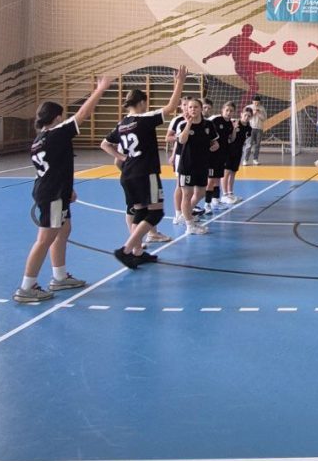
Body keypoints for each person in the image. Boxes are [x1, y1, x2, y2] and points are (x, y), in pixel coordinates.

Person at [14, 76, 114, 303]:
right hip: (52, 195)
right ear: (58, 117)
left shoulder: (39, 139)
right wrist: (100, 89)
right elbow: (83, 114)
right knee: (45, 239)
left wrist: (67, 189)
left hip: (52, 189)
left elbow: (54, 166)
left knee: (64, 229)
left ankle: (59, 277)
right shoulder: (57, 133)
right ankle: (27, 287)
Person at [100, 66, 187, 270]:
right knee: (155, 213)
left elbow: (104, 144)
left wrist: (122, 157)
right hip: (145, 172)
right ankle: (126, 249)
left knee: (140, 212)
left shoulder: (122, 124)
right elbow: (171, 106)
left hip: (128, 173)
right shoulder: (144, 119)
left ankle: (137, 252)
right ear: (141, 103)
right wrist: (180, 82)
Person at [174, 98, 220, 231]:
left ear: (201, 109)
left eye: (195, 107)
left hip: (202, 164)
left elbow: (214, 141)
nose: (193, 109)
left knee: (201, 193)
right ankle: (190, 225)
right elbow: (182, 141)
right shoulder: (183, 125)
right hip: (187, 165)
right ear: (187, 109)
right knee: (187, 194)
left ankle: (185, 214)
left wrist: (216, 145)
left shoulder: (208, 125)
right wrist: (189, 124)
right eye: (190, 107)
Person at [223, 105, 251, 201]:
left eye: (249, 116)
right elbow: (230, 137)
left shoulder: (249, 128)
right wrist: (234, 129)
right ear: (241, 114)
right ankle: (225, 194)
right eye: (245, 115)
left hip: (238, 152)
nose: (246, 117)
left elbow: (246, 140)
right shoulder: (234, 123)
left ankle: (230, 193)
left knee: (233, 172)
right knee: (226, 172)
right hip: (228, 151)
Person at [244, 96, 266, 165]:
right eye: (255, 102)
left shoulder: (262, 108)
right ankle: (245, 160)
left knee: (257, 145)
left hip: (259, 129)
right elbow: (245, 118)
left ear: (259, 102)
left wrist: (259, 113)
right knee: (249, 144)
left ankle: (255, 159)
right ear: (252, 101)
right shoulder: (248, 107)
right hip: (250, 128)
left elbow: (264, 118)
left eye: (258, 102)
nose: (256, 103)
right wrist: (253, 113)